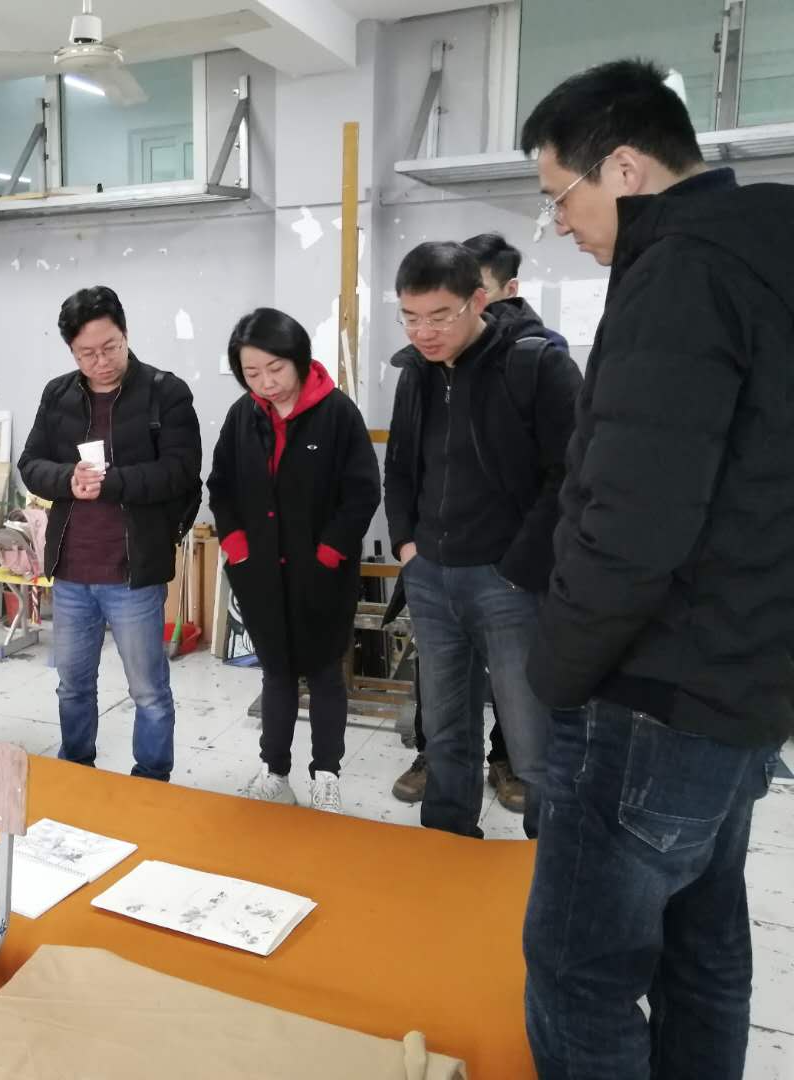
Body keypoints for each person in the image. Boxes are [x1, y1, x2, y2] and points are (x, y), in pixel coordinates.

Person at [518, 59, 794, 1079]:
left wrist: (554, 672)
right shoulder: (766, 250)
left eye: (562, 196)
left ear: (626, 169)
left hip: (652, 693)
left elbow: (632, 524)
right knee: (703, 946)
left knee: (580, 971)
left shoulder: (678, 274)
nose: (561, 224)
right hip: (746, 681)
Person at [383, 241, 580, 840]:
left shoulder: (536, 363)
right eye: (410, 317)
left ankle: (552, 863)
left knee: (533, 740)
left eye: (439, 316)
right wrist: (407, 547)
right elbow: (400, 467)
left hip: (509, 584)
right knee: (444, 734)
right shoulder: (416, 372)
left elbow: (572, 475)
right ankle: (448, 847)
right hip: (431, 577)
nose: (424, 332)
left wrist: (520, 567)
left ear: (478, 301)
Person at [19, 286, 201, 782]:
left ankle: (152, 781)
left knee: (148, 691)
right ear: (71, 351)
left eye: (110, 347)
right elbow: (30, 464)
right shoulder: (58, 394)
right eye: (87, 353)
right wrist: (67, 479)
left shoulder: (165, 392)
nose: (100, 362)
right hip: (72, 572)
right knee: (72, 687)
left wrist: (113, 482)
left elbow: (182, 470)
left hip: (133, 573)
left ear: (125, 334)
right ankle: (77, 773)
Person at [207, 309, 379, 812]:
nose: (266, 382)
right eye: (252, 373)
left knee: (325, 673)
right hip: (260, 570)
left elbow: (362, 492)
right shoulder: (243, 416)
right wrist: (236, 545)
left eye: (275, 368)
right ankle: (275, 772)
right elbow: (221, 486)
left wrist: (329, 552)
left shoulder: (337, 413)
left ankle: (326, 773)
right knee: (276, 673)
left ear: (299, 359)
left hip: (322, 572)